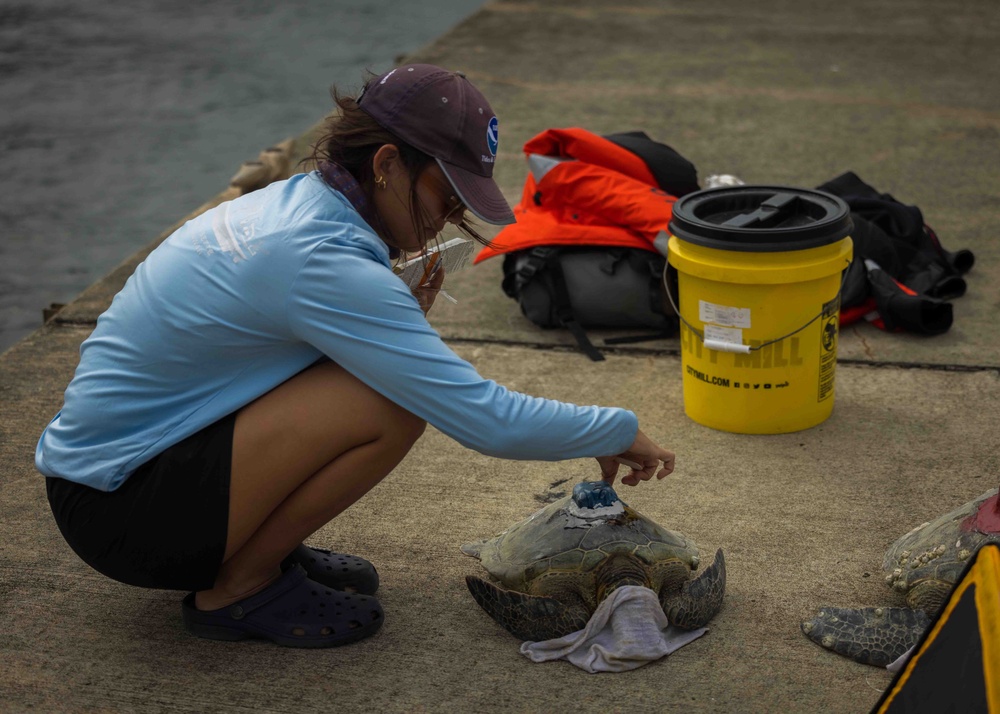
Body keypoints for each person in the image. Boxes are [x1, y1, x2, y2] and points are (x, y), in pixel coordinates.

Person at [35, 64, 676, 649]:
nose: (449, 220)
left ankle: (259, 547)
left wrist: (392, 315)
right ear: (388, 163)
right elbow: (488, 420)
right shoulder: (321, 258)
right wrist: (616, 427)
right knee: (390, 404)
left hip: (112, 476)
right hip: (123, 515)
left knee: (369, 377)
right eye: (446, 197)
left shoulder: (298, 203)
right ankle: (237, 588)